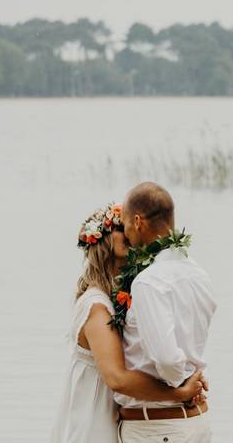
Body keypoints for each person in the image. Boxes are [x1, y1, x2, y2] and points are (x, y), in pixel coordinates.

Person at [51, 203, 206, 443]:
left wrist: (189, 374)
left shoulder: (129, 294)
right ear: (100, 240)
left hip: (123, 415)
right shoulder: (97, 306)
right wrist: (178, 392)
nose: (129, 231)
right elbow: (117, 378)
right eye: (119, 227)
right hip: (95, 414)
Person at [115, 183, 217, 442]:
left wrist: (180, 384)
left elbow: (168, 360)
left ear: (137, 222)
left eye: (125, 224)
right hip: (196, 421)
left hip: (160, 428)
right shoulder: (199, 274)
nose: (125, 233)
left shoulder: (149, 282)